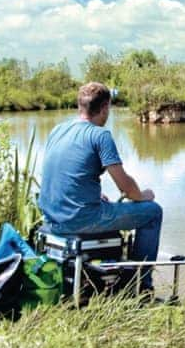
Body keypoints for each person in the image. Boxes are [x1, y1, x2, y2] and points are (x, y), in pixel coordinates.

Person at [39, 81, 162, 291]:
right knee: (152, 212)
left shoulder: (57, 130)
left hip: (51, 217)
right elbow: (124, 185)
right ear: (105, 108)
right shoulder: (100, 135)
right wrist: (142, 195)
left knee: (116, 207)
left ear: (80, 106)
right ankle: (139, 285)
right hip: (80, 219)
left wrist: (92, 195)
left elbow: (64, 175)